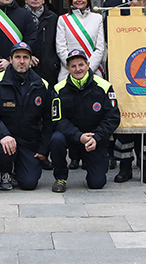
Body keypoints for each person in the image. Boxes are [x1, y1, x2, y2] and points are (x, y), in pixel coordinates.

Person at [0, 42, 56, 191]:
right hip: (4, 139)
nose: (21, 61)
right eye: (17, 57)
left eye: (25, 57)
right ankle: (5, 172)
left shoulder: (42, 85)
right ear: (10, 59)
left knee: (29, 184)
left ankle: (19, 171)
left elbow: (49, 119)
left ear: (31, 60)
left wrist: (43, 149)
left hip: (29, 141)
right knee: (5, 149)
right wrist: (3, 135)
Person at [49, 50, 120, 192]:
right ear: (68, 68)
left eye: (81, 65)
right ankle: (60, 177)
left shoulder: (104, 86)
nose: (78, 69)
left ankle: (90, 162)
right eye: (73, 66)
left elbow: (112, 118)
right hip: (72, 137)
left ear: (88, 65)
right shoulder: (58, 89)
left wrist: (97, 137)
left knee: (96, 184)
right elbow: (58, 120)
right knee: (56, 139)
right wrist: (78, 136)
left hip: (94, 139)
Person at [111, 0, 146, 182]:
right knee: (125, 125)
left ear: (145, 1)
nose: (130, 2)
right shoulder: (123, 18)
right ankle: (125, 167)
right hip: (125, 76)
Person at [55, 0, 106, 82]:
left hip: (93, 72)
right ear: (71, 0)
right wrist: (74, 68)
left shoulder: (97, 18)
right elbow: (61, 48)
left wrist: (87, 69)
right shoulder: (63, 19)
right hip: (68, 73)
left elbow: (100, 49)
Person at [22, 0, 61, 86]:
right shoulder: (19, 16)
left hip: (48, 69)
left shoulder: (53, 18)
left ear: (44, 0)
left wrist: (53, 63)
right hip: (24, 66)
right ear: (25, 0)